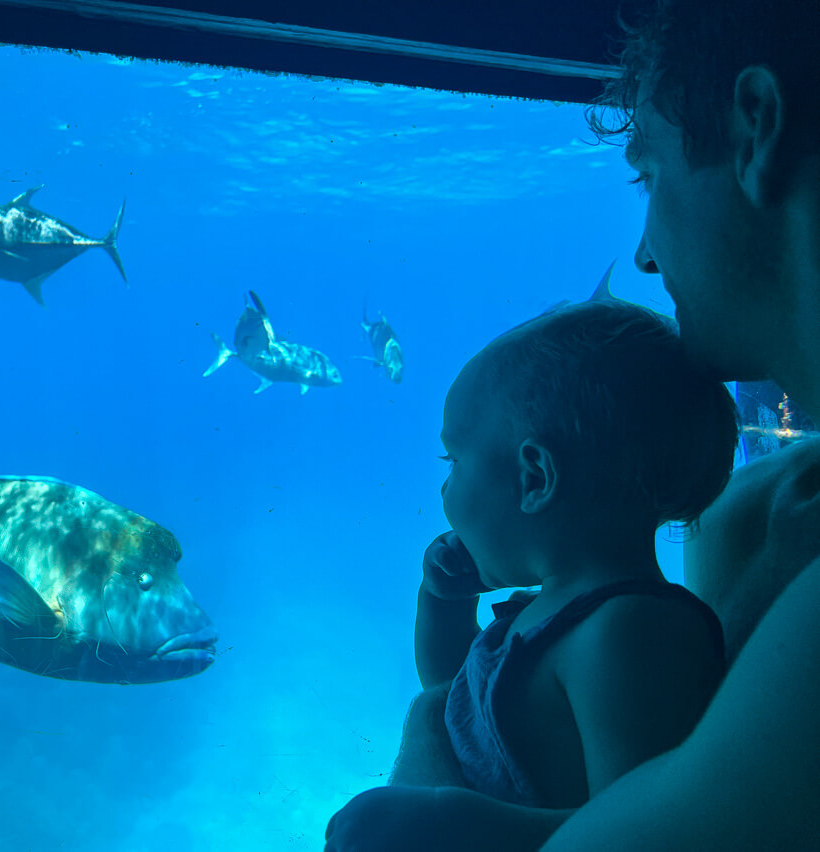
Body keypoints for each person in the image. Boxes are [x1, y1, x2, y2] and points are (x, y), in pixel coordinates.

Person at [325, 0, 820, 848]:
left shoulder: (647, 616)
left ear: (755, 128)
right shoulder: (770, 513)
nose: (646, 255)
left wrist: (425, 789)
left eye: (651, 174)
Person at [391, 298, 734, 815]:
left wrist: (461, 827)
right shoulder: (546, 613)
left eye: (454, 460)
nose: (444, 490)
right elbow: (455, 699)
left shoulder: (630, 632)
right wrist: (443, 600)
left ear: (535, 478)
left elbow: (642, 831)